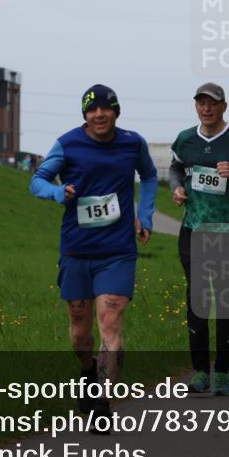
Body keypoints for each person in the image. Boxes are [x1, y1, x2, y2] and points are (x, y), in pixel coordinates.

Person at [30, 85, 157, 429]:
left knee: (111, 321)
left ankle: (102, 401)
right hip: (77, 250)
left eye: (106, 109)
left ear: (117, 112)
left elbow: (149, 175)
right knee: (79, 327)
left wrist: (144, 214)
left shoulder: (133, 143)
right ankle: (87, 369)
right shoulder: (68, 144)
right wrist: (58, 192)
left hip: (117, 251)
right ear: (85, 115)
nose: (99, 114)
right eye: (92, 110)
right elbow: (37, 181)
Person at [170, 83, 229, 395]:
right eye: (200, 103)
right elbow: (175, 168)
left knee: (227, 302)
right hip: (193, 230)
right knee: (198, 300)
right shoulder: (185, 139)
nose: (206, 108)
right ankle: (200, 371)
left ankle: (222, 371)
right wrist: (177, 188)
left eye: (212, 103)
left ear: (224, 106)